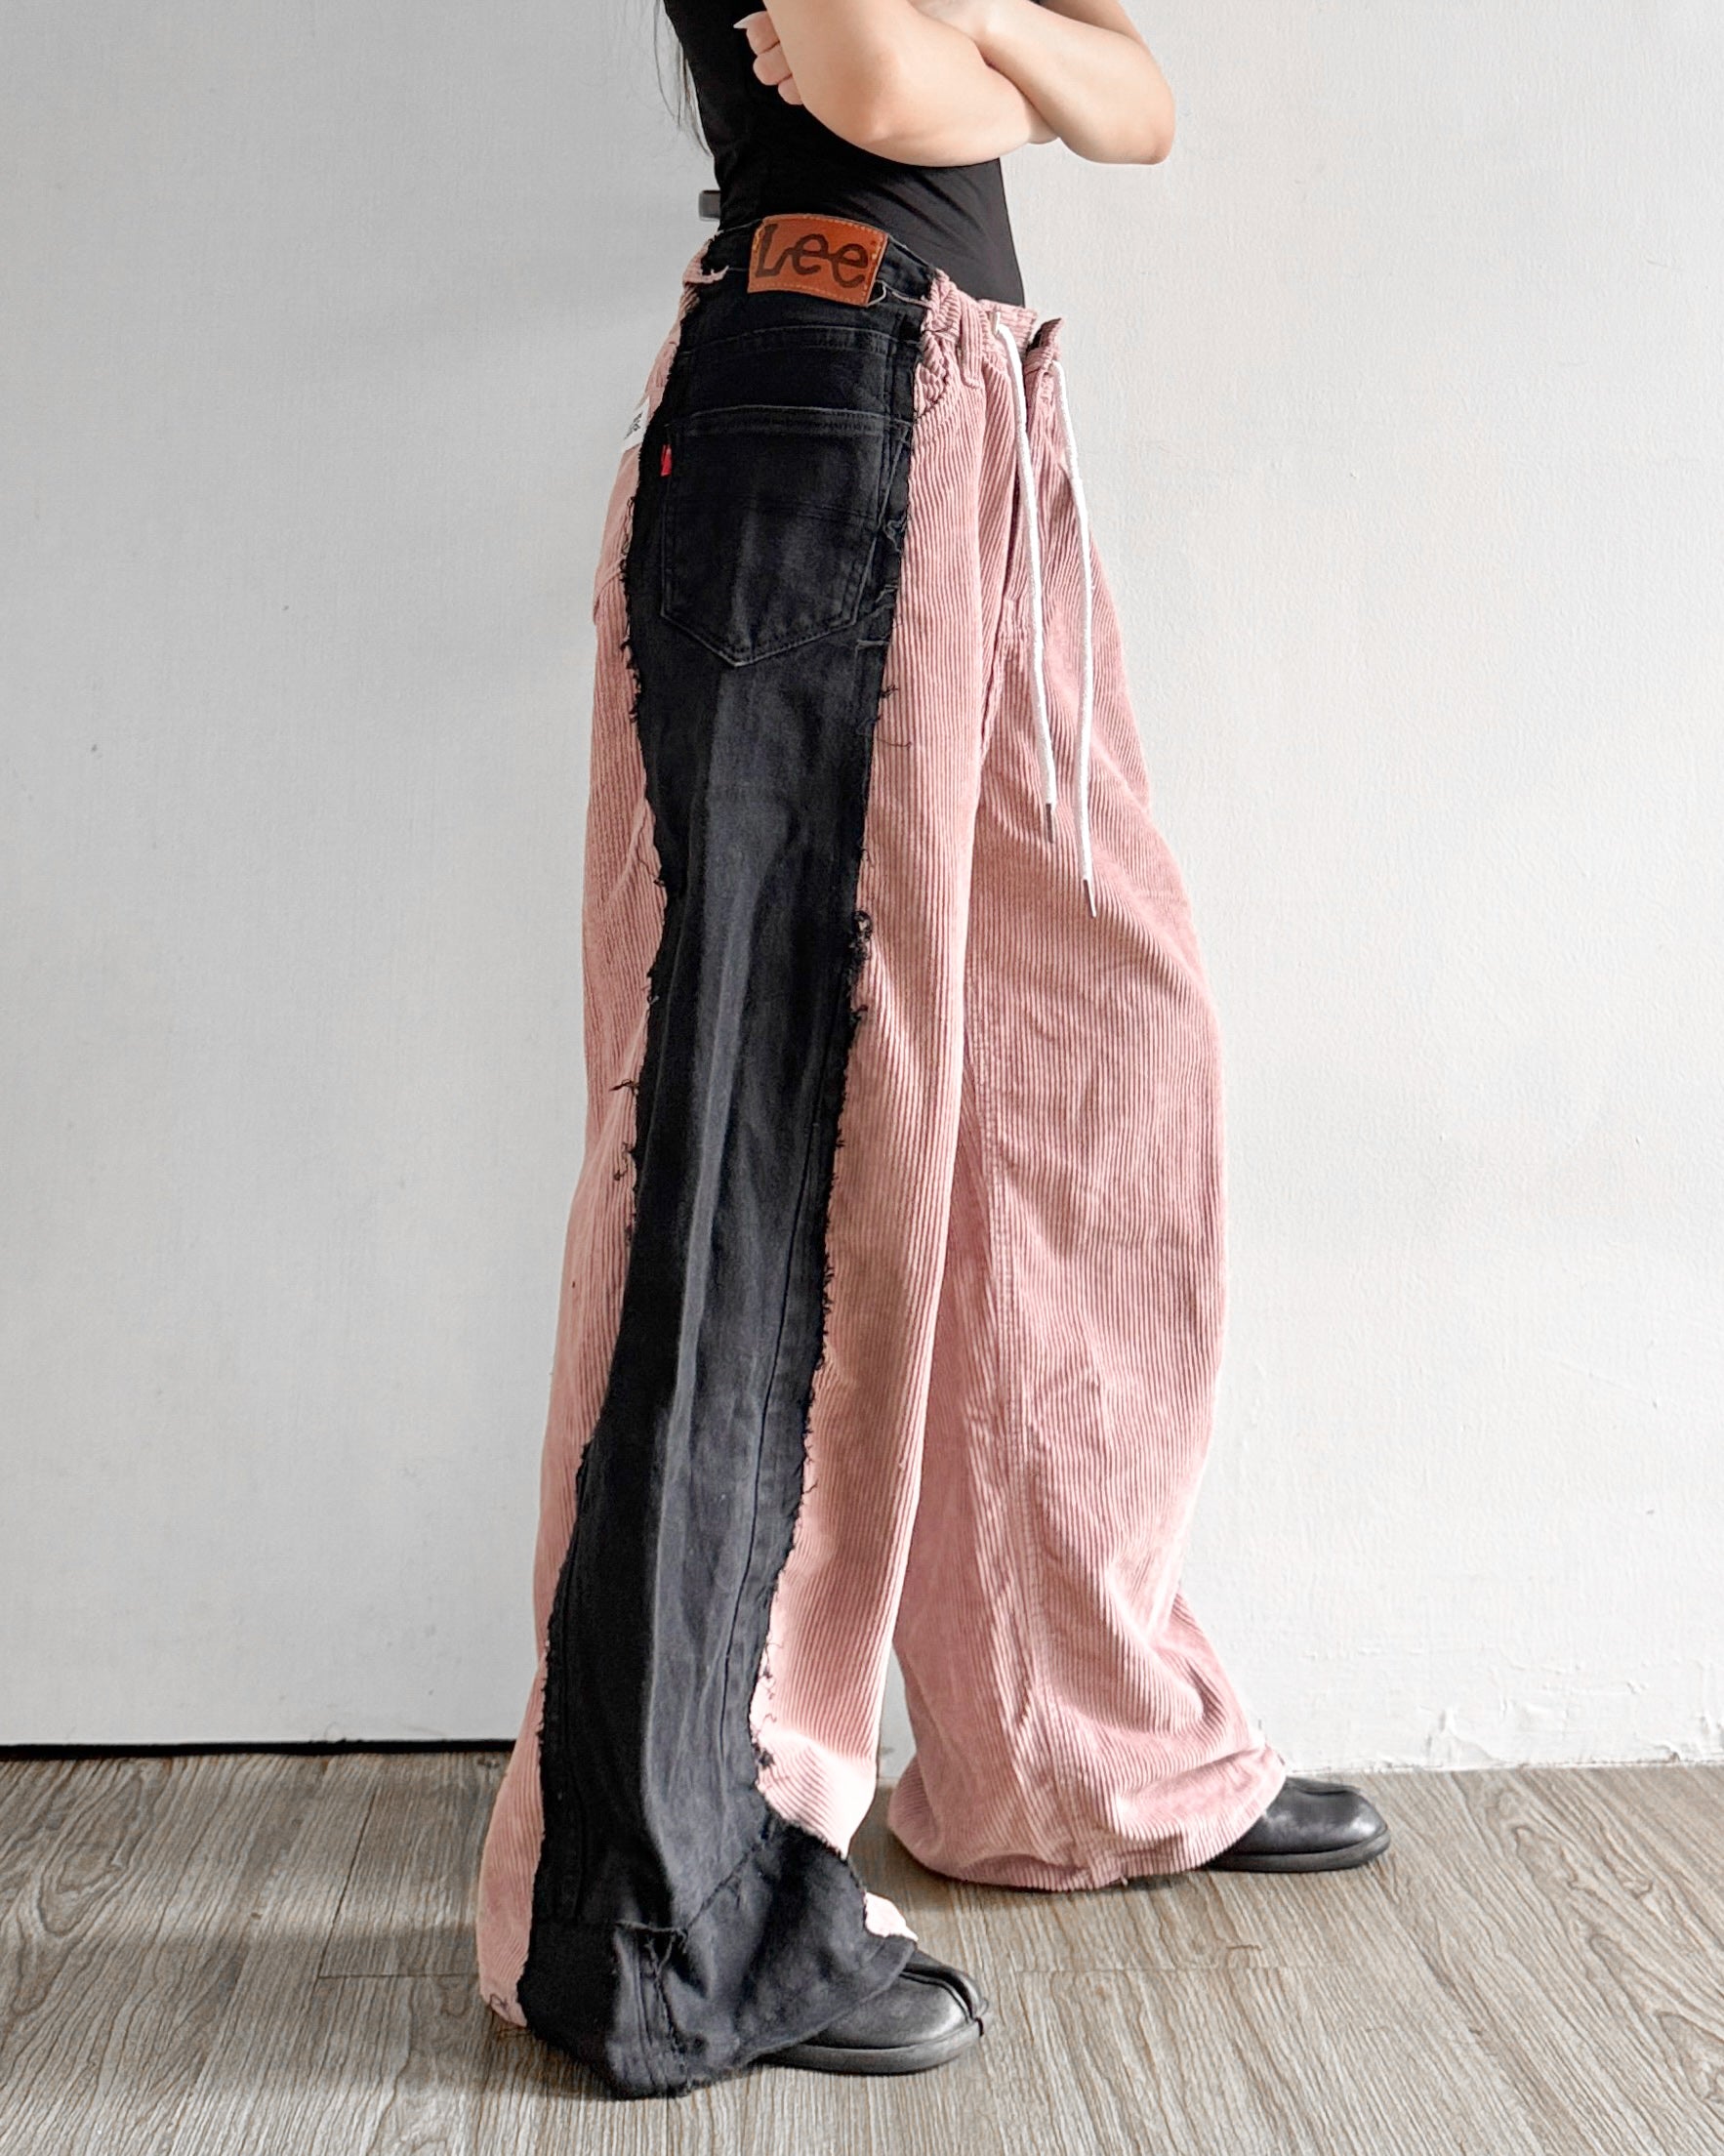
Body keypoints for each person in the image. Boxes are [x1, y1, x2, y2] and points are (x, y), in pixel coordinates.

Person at [473, 0, 1389, 2099]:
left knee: (1089, 1083)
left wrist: (973, 24)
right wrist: (1003, 44)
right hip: (813, 395)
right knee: (772, 1142)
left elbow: (1132, 106)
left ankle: (1070, 1753)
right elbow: (892, 97)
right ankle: (667, 1905)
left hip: (980, 416)